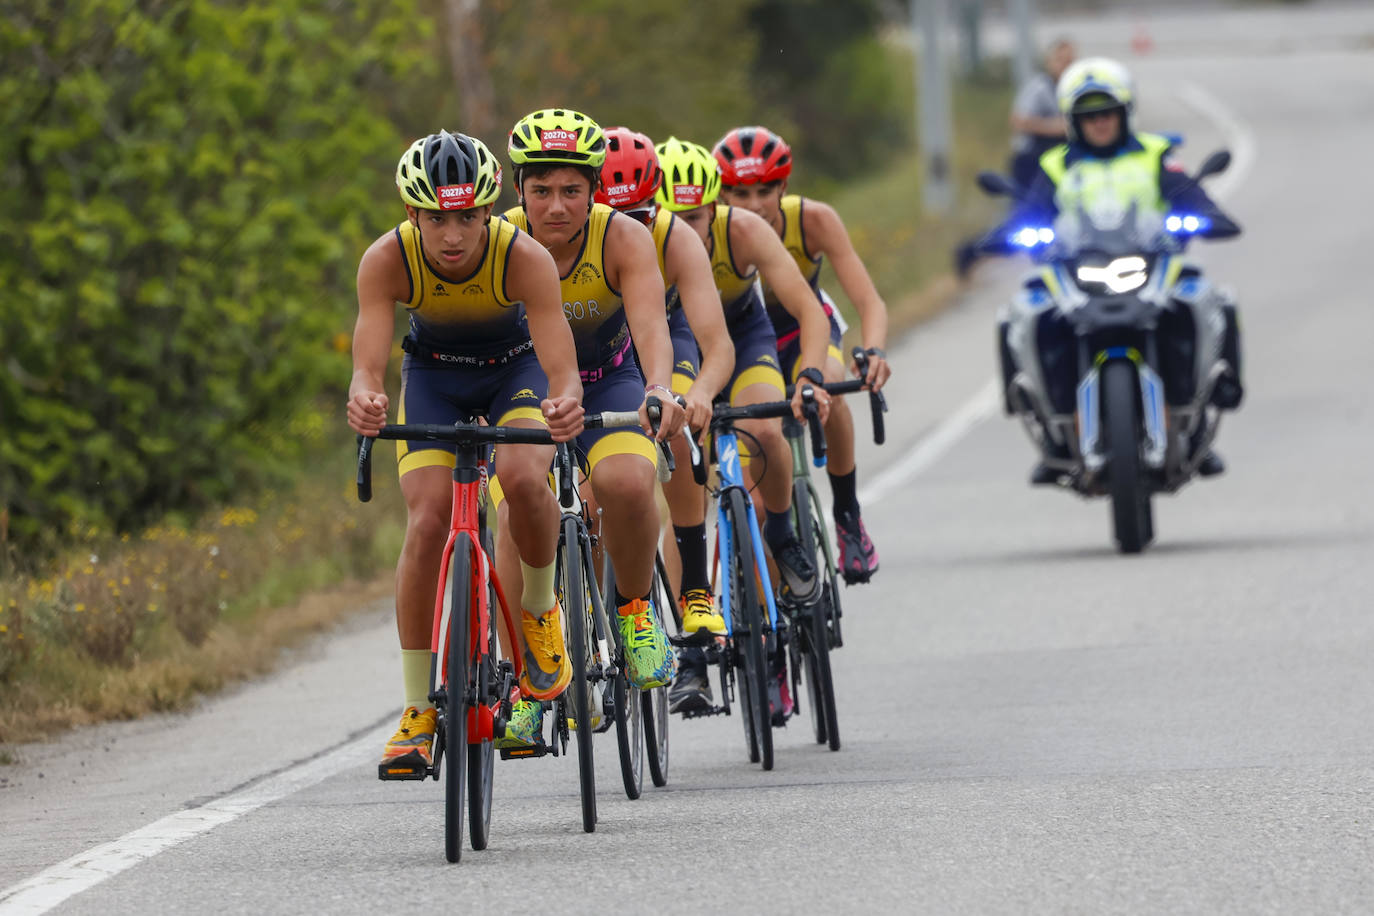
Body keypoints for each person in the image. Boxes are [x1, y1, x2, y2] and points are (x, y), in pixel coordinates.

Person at [348, 130, 584, 776]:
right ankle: (418, 709)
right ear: (412, 215)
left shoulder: (524, 257)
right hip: (434, 379)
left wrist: (564, 400)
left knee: (522, 479)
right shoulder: (385, 261)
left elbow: (560, 362)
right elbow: (367, 366)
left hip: (514, 373)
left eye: (467, 218)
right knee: (426, 521)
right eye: (436, 219)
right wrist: (365, 396)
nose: (452, 236)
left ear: (489, 211)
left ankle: (538, 608)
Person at [491, 109, 687, 742]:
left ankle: (634, 612)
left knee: (627, 484)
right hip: (528, 390)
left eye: (571, 190)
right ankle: (527, 673)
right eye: (541, 190)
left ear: (594, 189)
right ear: (519, 190)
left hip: (609, 380)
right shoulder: (501, 241)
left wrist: (660, 387)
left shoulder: (621, 238)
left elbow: (653, 327)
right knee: (512, 515)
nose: (555, 206)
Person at [985, 57, 1244, 482]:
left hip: (1152, 267)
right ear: (1072, 120)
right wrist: (1002, 235)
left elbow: (1192, 197)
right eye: (1088, 116)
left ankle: (1202, 415)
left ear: (1125, 112)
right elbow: (1028, 212)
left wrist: (1205, 215)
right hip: (1075, 274)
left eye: (1107, 113)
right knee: (1024, 316)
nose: (1099, 123)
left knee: (1209, 301)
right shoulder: (1055, 166)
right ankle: (1053, 430)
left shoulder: (1157, 156)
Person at [650, 137, 833, 720]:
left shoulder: (744, 232)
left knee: (768, 427)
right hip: (684, 352)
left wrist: (807, 375)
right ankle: (693, 654)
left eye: (698, 217)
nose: (689, 228)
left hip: (743, 338)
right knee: (683, 497)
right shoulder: (643, 242)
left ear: (715, 206)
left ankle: (781, 533)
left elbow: (808, 310)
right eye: (675, 217)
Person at [713, 126, 892, 584]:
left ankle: (848, 516)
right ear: (719, 193)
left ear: (784, 187)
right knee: (753, 482)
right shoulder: (709, 231)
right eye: (738, 192)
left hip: (800, 333)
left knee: (830, 376)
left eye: (764, 191)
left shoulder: (813, 220)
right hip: (743, 344)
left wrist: (872, 351)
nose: (752, 204)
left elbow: (868, 301)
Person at [593, 127, 736, 640]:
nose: (630, 228)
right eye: (615, 216)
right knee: (583, 491)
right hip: (599, 348)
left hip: (662, 340)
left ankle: (695, 588)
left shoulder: (675, 237)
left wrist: (698, 394)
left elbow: (716, 343)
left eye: (642, 215)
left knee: (676, 421)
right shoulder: (560, 237)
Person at [956, 38, 1077, 276]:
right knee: (1024, 223)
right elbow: (1019, 120)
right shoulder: (1040, 88)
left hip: (1061, 163)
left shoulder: (1075, 90)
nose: (1066, 65)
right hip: (1031, 162)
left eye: (1070, 60)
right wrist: (1058, 128)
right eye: (1061, 59)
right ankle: (971, 251)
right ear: (1049, 61)